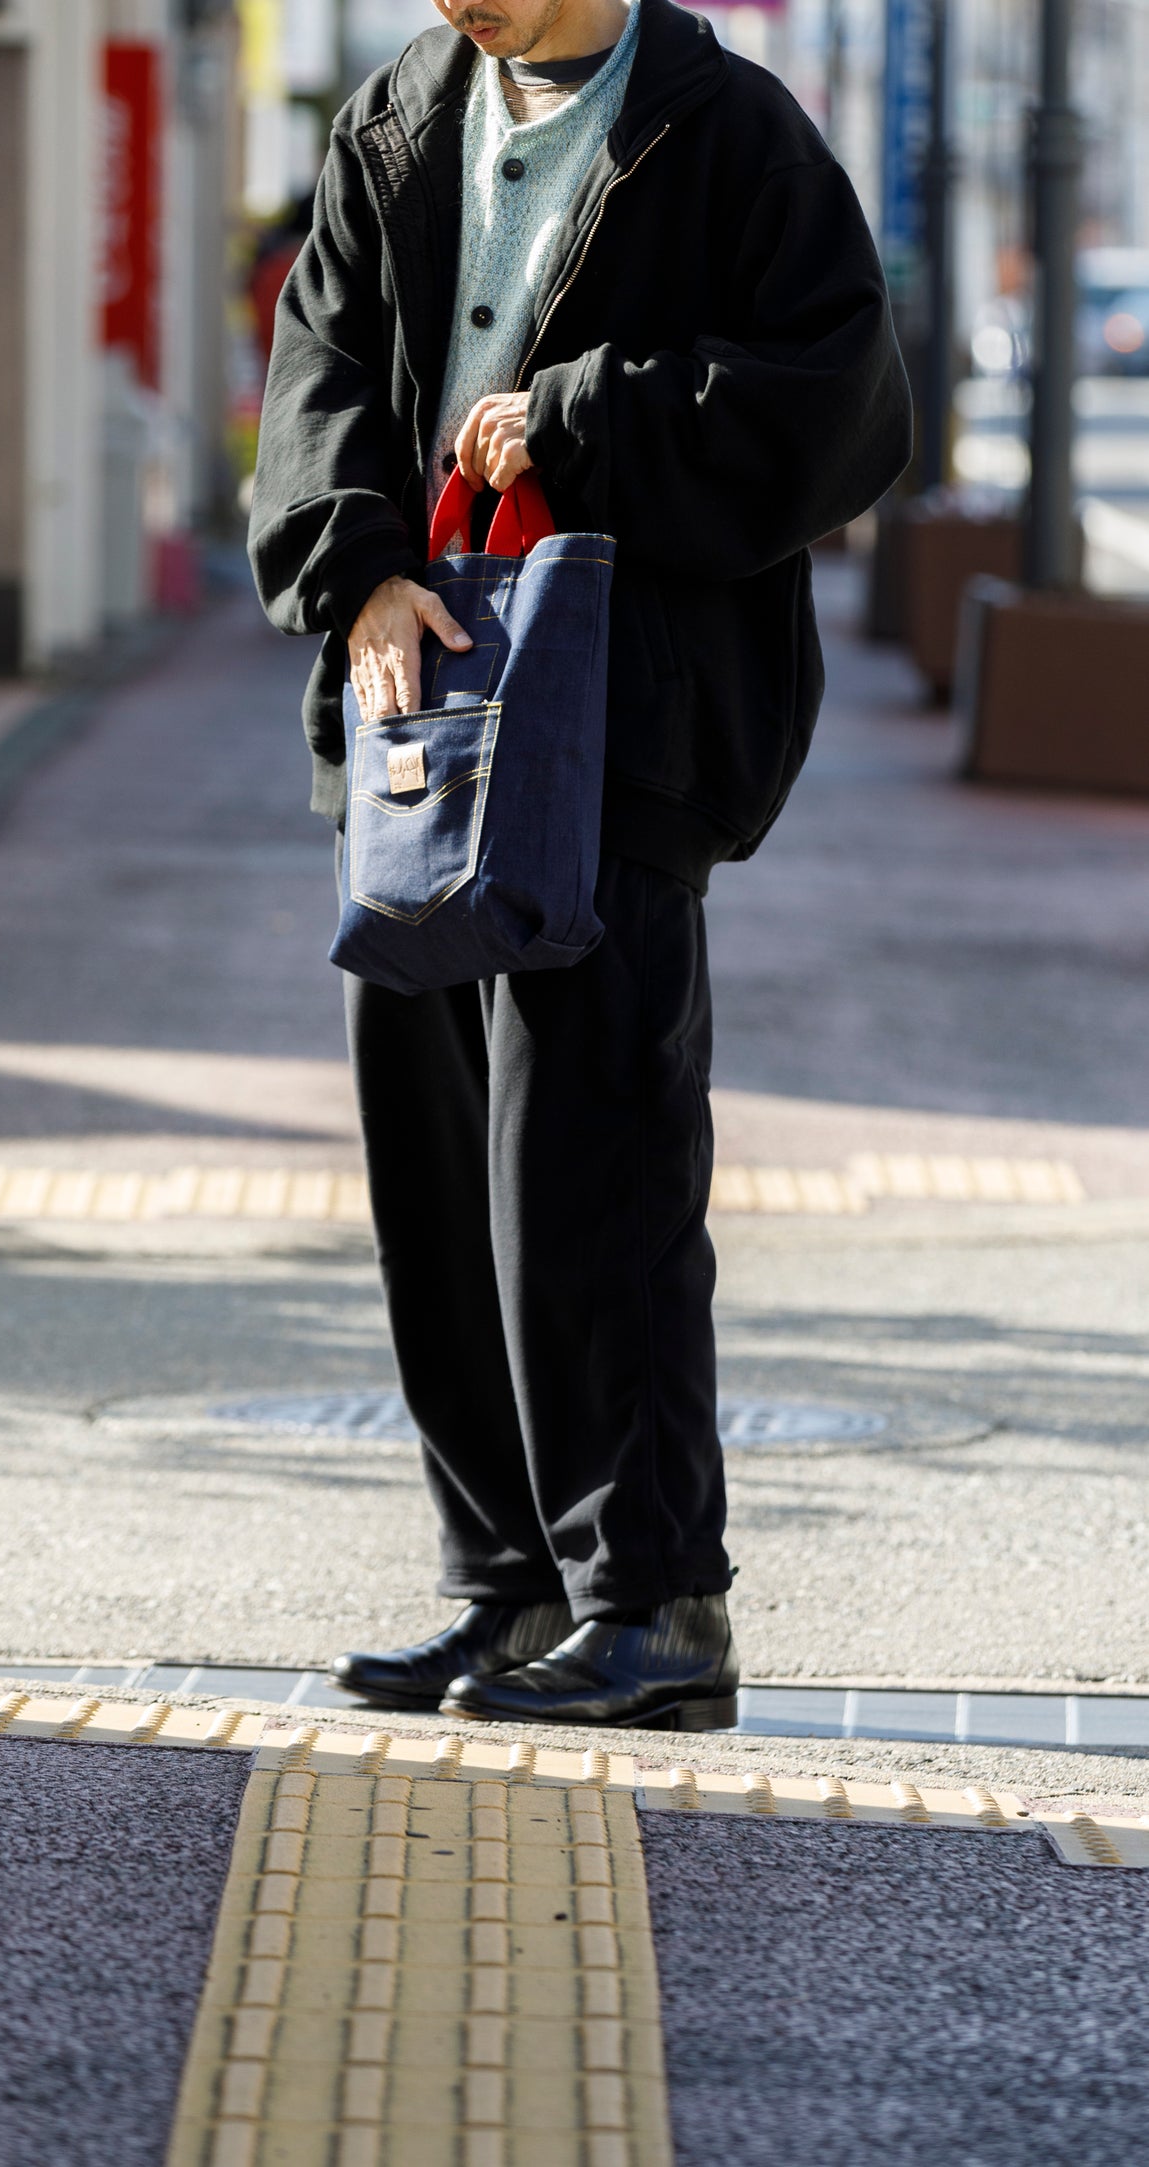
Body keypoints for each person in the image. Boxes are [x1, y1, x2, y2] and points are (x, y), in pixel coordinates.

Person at [248, 0, 912, 1727]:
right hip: (419, 716)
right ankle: (507, 1589)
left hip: (622, 719)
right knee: (437, 1161)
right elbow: (316, 361)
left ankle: (654, 1609)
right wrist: (359, 565)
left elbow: (840, 400)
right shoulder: (399, 114)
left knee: (595, 1163)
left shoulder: (726, 130)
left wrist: (584, 418)